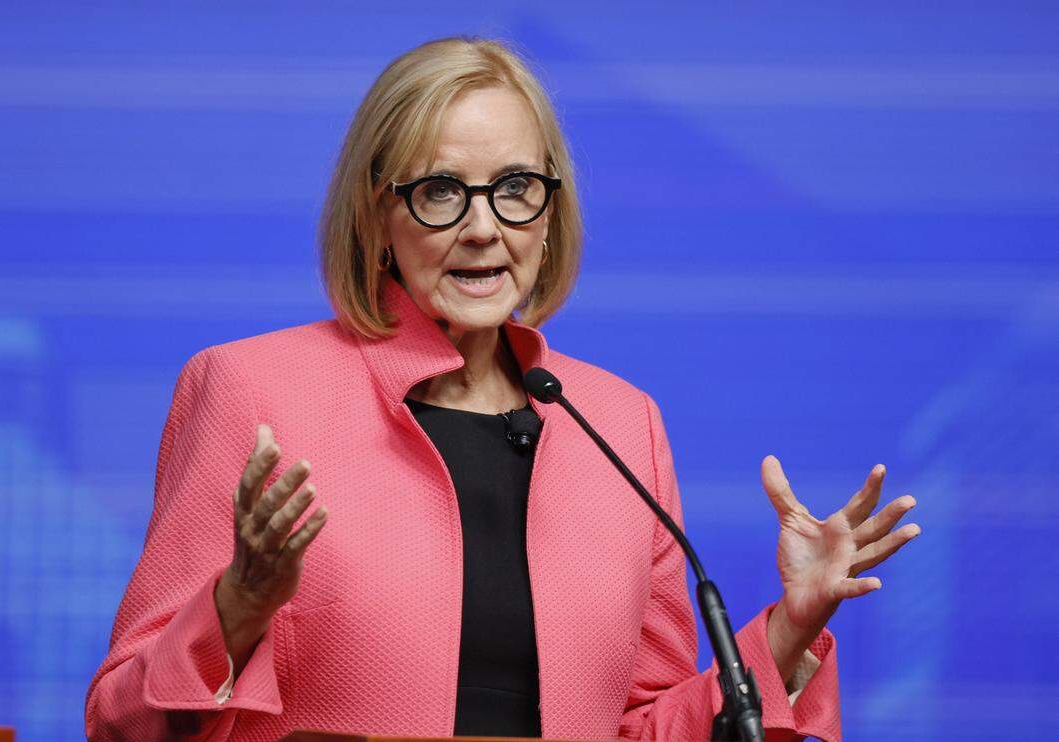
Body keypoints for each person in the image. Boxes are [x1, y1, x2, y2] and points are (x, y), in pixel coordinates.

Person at [85, 37, 919, 741]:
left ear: (550, 213)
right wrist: (239, 602)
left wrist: (786, 632)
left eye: (516, 188)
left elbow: (642, 728)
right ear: (377, 215)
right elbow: (120, 720)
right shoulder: (253, 389)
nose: (484, 226)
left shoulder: (620, 427)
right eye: (441, 191)